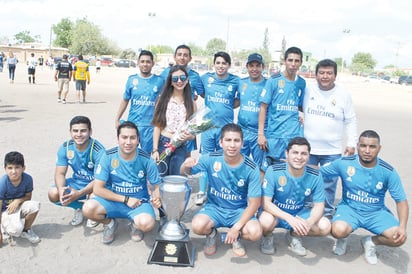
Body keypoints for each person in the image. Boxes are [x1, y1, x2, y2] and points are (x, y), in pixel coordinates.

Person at [320, 130, 408, 265]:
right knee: (338, 230)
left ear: (379, 148)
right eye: (363, 146)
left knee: (399, 238)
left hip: (375, 212)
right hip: (349, 209)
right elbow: (318, 172)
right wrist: (292, 165)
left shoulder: (388, 171)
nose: (367, 150)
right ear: (357, 146)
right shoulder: (344, 163)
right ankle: (343, 238)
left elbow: (401, 201)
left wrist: (402, 226)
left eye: (372, 147)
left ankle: (370, 242)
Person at [180, 123, 262, 257]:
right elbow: (185, 173)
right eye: (228, 140)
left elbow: (254, 203)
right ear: (221, 142)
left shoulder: (251, 168)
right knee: (197, 226)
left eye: (236, 140)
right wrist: (185, 165)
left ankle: (236, 237)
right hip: (214, 208)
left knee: (255, 232)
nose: (232, 145)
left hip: (238, 211)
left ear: (242, 143)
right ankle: (212, 235)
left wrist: (236, 228)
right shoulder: (210, 159)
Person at [82, 121, 162, 244]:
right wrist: (125, 199)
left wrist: (157, 198)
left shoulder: (147, 159)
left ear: (138, 140)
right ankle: (110, 224)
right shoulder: (107, 156)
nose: (128, 142)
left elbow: (156, 185)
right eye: (124, 137)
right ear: (118, 139)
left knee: (147, 224)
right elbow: (98, 189)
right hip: (113, 200)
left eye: (132, 138)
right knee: (88, 208)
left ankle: (135, 225)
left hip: (138, 202)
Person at [303, 59, 357, 218]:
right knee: (306, 181)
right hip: (308, 148)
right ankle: (305, 212)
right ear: (316, 74)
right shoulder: (308, 91)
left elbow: (351, 119)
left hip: (332, 150)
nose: (325, 76)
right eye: (321, 73)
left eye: (329, 73)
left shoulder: (343, 94)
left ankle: (326, 214)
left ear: (335, 75)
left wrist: (351, 142)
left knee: (329, 183)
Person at [259, 137, 331, 256]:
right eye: (295, 153)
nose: (299, 157)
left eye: (304, 153)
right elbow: (265, 203)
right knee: (265, 221)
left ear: (308, 156)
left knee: (325, 226)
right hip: (276, 214)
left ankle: (294, 236)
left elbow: (319, 206)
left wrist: (309, 222)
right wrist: (288, 218)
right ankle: (267, 236)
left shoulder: (315, 175)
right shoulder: (273, 170)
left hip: (299, 214)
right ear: (287, 154)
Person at [195, 51, 240, 206]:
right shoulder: (206, 78)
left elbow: (238, 101)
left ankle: (220, 193)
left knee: (224, 160)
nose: (221, 66)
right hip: (208, 127)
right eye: (218, 63)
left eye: (224, 63)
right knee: (206, 158)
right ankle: (202, 192)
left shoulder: (236, 81)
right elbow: (201, 93)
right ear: (214, 64)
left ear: (228, 65)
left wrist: (225, 106)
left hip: (225, 129)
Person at [48, 116, 105, 227]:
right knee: (53, 193)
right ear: (70, 132)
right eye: (75, 131)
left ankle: (93, 214)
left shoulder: (98, 150)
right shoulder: (66, 147)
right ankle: (78, 207)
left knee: (93, 198)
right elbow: (60, 173)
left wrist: (79, 193)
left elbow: (100, 180)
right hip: (77, 182)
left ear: (90, 131)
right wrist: (61, 190)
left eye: (83, 131)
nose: (79, 134)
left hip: (96, 184)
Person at [258, 46, 306, 173]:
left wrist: (302, 117)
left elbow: (301, 106)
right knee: (266, 170)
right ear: (284, 61)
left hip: (293, 135)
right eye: (290, 60)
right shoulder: (274, 80)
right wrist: (261, 134)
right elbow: (263, 107)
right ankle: (264, 193)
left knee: (291, 170)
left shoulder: (302, 83)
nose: (293, 64)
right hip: (274, 135)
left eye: (297, 61)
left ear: (301, 63)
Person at [159, 45, 205, 159]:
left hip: (186, 122)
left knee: (186, 154)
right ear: (174, 57)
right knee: (165, 152)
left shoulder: (194, 76)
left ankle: (185, 175)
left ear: (190, 58)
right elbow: (159, 93)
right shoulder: (165, 73)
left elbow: (203, 94)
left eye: (185, 55)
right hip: (169, 121)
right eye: (179, 54)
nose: (182, 57)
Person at [115, 50, 165, 154]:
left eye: (148, 62)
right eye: (142, 61)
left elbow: (163, 102)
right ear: (138, 63)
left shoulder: (159, 81)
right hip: (133, 124)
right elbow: (125, 100)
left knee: (146, 156)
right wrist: (117, 119)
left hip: (150, 126)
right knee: (129, 153)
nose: (145, 64)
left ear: (152, 63)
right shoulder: (131, 80)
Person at [151, 65, 196, 176]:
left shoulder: (191, 103)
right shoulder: (162, 99)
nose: (179, 81)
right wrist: (155, 150)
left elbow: (194, 132)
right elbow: (157, 126)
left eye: (182, 78)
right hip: (163, 143)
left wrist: (189, 136)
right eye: (175, 79)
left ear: (187, 80)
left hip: (180, 145)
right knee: (161, 177)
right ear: (170, 81)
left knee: (177, 179)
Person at [0, 151, 41, 245]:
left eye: (17, 167)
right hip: (5, 211)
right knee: (16, 230)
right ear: (5, 169)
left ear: (23, 168)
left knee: (35, 206)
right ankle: (4, 228)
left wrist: (18, 201)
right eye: (10, 168)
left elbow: (28, 197)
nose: (14, 171)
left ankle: (26, 230)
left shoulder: (28, 179)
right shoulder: (2, 183)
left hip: (19, 206)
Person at [238, 53, 267, 170]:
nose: (254, 69)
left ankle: (257, 188)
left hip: (259, 133)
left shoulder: (269, 84)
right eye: (251, 66)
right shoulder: (241, 82)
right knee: (239, 164)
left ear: (263, 67)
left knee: (259, 167)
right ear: (247, 67)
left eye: (257, 66)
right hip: (242, 130)